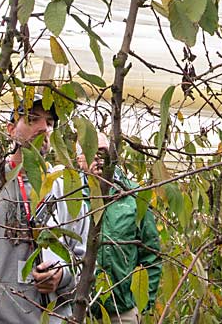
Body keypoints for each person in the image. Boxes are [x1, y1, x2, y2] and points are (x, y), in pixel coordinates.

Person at [0, 96, 88, 323]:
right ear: (10, 129)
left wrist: (62, 275)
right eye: (32, 119)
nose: (43, 128)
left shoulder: (67, 189)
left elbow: (85, 261)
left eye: (49, 122)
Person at [76, 132, 161, 324]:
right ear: (79, 159)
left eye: (103, 153)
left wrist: (142, 307)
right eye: (91, 153)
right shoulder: (69, 195)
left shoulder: (133, 195)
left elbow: (151, 254)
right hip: (79, 309)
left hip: (123, 312)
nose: (98, 159)